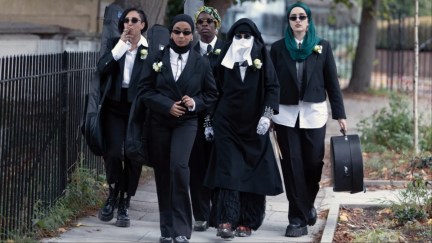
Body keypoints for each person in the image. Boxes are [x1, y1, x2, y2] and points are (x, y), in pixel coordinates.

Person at [136, 14, 218, 243]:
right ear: (171, 33)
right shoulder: (156, 57)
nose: (181, 36)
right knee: (163, 173)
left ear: (192, 35)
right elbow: (144, 91)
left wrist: (194, 103)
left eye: (186, 32)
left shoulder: (200, 62)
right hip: (159, 123)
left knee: (179, 168)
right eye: (177, 32)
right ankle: (167, 229)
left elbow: (211, 94)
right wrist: (166, 106)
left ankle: (182, 229)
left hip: (187, 123)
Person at [269, 1, 347, 237]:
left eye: (302, 17)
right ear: (289, 22)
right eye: (293, 17)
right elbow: (271, 84)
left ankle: (307, 205)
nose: (298, 21)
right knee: (291, 166)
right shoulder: (277, 48)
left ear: (309, 20)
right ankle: (296, 219)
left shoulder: (322, 46)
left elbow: (332, 83)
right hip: (285, 114)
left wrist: (340, 114)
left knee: (313, 164)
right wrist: (268, 112)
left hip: (314, 114)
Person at [203, 18, 283, 239]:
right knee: (228, 170)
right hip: (226, 124)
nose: (242, 40)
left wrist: (267, 116)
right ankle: (226, 219)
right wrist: (209, 122)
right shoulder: (222, 60)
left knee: (252, 173)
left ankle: (247, 221)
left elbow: (272, 86)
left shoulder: (262, 58)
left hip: (254, 126)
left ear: (255, 39)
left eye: (247, 36)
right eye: (238, 36)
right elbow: (213, 91)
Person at [96, 7, 149, 228]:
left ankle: (125, 201)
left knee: (134, 155)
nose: (129, 24)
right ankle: (113, 194)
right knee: (114, 152)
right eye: (126, 20)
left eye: (134, 20)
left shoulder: (151, 50)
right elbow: (101, 69)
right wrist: (121, 47)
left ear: (142, 25)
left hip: (138, 108)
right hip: (115, 105)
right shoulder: (113, 46)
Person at [188, 6, 224, 232]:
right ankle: (201, 214)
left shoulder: (227, 49)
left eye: (209, 21)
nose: (204, 25)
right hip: (196, 116)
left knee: (220, 166)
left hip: (222, 118)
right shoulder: (190, 51)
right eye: (200, 21)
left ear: (216, 24)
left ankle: (220, 213)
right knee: (197, 166)